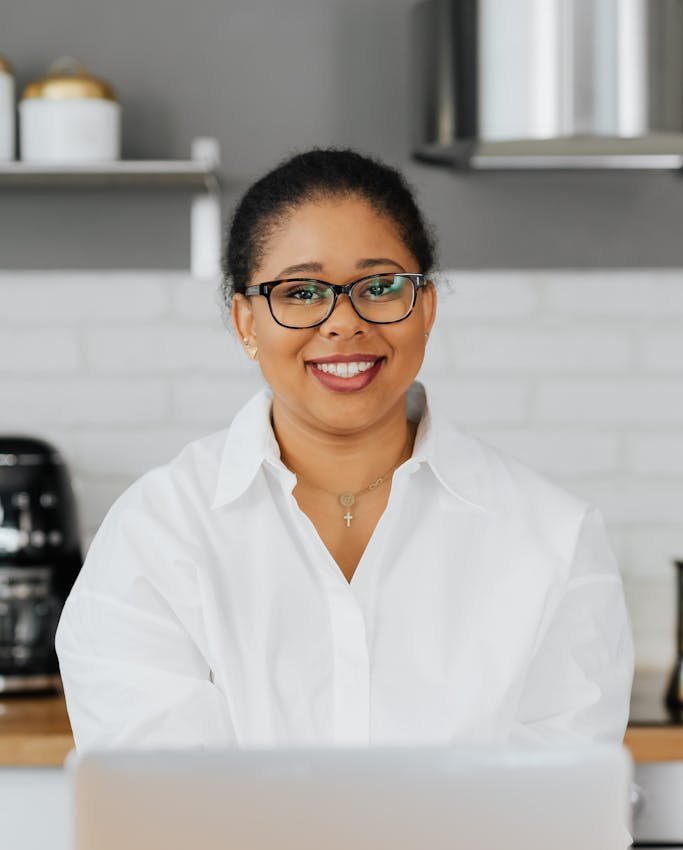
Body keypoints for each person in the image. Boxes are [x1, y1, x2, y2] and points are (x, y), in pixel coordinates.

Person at [55, 146, 634, 751]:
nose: (343, 324)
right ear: (247, 322)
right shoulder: (158, 533)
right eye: (301, 292)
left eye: (380, 285)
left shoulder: (554, 539)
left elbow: (565, 817)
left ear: (427, 308)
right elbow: (156, 810)